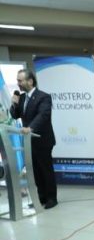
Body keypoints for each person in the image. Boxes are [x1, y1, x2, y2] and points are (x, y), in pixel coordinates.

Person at [10, 68, 57, 209]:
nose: (18, 83)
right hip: (28, 141)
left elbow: (43, 115)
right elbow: (15, 115)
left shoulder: (43, 97)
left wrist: (31, 128)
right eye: (17, 80)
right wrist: (14, 104)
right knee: (35, 171)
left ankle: (51, 198)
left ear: (30, 81)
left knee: (45, 170)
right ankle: (41, 198)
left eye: (20, 80)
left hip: (42, 140)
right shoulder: (21, 98)